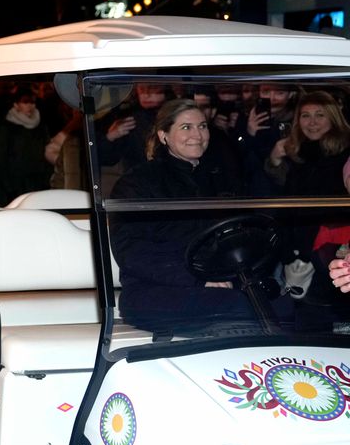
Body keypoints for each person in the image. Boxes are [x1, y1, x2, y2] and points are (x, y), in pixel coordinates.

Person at [109, 98, 291, 334]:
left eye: (202, 126)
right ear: (164, 135)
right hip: (154, 288)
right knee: (242, 309)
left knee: (285, 305)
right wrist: (197, 279)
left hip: (221, 280)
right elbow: (132, 253)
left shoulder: (219, 177)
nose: (197, 134)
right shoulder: (136, 184)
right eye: (186, 127)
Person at [264, 90, 350, 305]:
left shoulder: (345, 151)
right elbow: (283, 193)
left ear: (333, 117)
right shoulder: (295, 150)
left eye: (320, 115)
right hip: (296, 240)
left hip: (332, 240)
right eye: (305, 115)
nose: (312, 122)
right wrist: (274, 161)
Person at [0, 87, 52, 205]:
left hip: (38, 184)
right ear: (16, 104)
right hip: (14, 186)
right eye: (25, 102)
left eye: (33, 102)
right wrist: (8, 186)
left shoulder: (41, 127)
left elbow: (46, 153)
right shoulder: (6, 128)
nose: (30, 106)